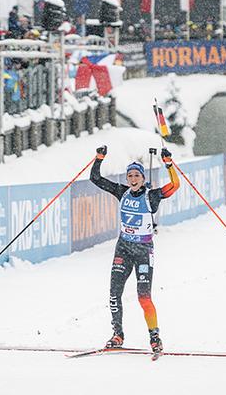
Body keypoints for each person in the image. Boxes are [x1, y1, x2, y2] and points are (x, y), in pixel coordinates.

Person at [89, 145, 180, 355]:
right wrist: (99, 158)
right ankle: (117, 334)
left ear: (142, 177)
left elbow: (175, 185)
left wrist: (168, 164)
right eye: (129, 175)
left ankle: (155, 337)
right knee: (114, 294)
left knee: (143, 297)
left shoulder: (152, 196)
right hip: (123, 249)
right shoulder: (122, 191)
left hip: (143, 251)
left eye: (136, 175)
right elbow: (96, 179)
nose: (132, 178)